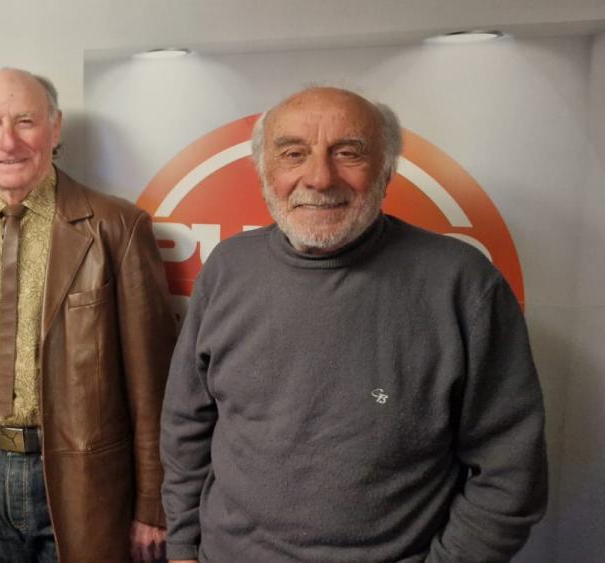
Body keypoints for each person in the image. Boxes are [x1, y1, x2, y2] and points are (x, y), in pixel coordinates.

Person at [161, 86, 548, 562]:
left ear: (386, 172)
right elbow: (186, 423)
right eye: (293, 154)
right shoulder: (227, 267)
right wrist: (182, 548)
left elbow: (510, 472)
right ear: (265, 172)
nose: (319, 178)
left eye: (348, 153)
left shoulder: (464, 284)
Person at [0, 67, 177, 563]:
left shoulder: (116, 228)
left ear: (55, 127)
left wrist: (153, 504)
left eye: (25, 121)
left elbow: (152, 385)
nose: (8, 142)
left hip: (86, 485)